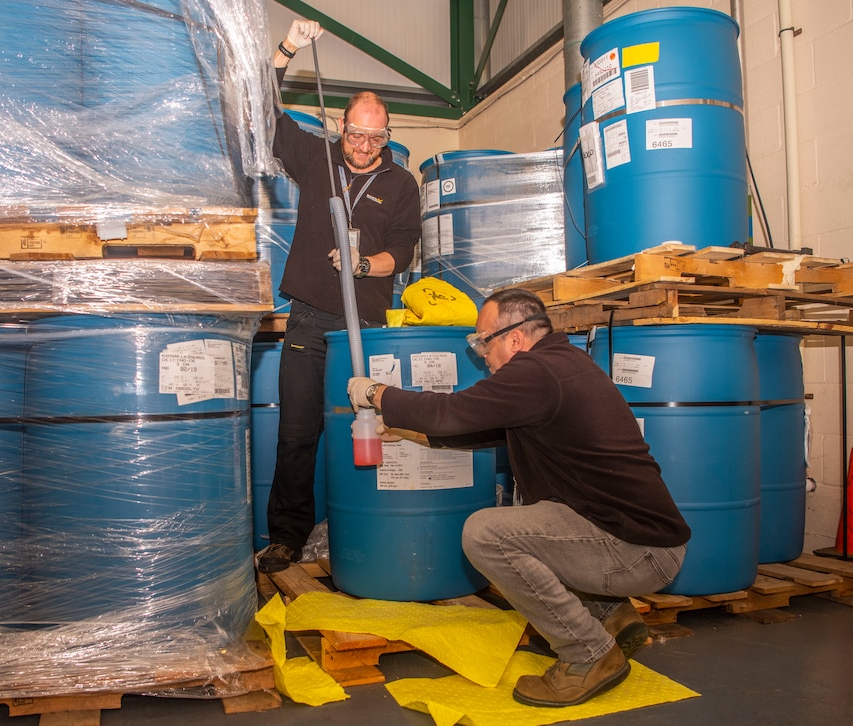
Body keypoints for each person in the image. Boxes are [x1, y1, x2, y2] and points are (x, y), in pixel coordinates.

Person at [346, 287, 690, 708]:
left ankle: (588, 655)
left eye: (482, 342)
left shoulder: (537, 371)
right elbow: (473, 430)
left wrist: (376, 393)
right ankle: (610, 616)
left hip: (638, 550)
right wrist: (401, 428)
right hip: (633, 537)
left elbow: (452, 412)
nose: (481, 355)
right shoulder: (558, 367)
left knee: (487, 533)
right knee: (533, 519)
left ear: (514, 338)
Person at [257, 20, 421, 573]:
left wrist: (363, 264)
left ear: (388, 135)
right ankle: (287, 536)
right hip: (308, 321)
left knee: (369, 426)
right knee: (298, 433)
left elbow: (403, 248)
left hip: (364, 328)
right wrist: (287, 50)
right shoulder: (315, 159)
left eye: (376, 138)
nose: (364, 147)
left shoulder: (400, 185)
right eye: (355, 134)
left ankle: (371, 527)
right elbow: (262, 108)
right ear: (341, 126)